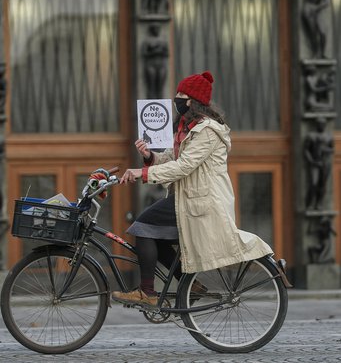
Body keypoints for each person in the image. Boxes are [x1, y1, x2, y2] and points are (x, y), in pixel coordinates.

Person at [112, 71, 273, 306]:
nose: (176, 99)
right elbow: (171, 158)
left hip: (202, 203)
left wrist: (142, 173)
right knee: (155, 236)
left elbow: (184, 166)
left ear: (193, 101)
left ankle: (147, 293)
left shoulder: (208, 131)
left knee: (142, 227)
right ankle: (192, 286)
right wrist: (149, 156)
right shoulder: (188, 127)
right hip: (186, 199)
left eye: (181, 95)